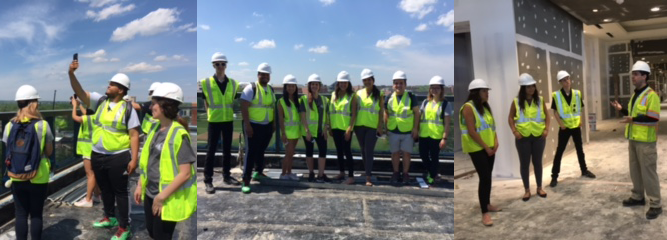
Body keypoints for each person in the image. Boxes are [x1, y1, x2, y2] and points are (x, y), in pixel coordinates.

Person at [69, 60, 140, 240]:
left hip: (118, 156)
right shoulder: (100, 101)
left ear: (121, 90)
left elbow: (134, 135)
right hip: (98, 154)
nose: (109, 86)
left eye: (113, 84)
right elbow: (79, 92)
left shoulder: (128, 109)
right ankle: (109, 217)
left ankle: (124, 227)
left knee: (121, 192)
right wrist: (71, 73)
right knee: (106, 190)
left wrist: (134, 159)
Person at [133, 83, 197, 239]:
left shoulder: (178, 134)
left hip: (166, 196)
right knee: (152, 232)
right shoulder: (155, 129)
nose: (150, 107)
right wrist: (140, 185)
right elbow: (148, 162)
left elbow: (185, 173)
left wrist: (161, 197)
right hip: (150, 192)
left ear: (165, 106)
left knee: (161, 236)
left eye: (154, 103)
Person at [611, 61, 662, 219]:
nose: (632, 77)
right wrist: (622, 110)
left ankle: (655, 204)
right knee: (635, 171)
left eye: (636, 74)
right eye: (632, 74)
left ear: (645, 76)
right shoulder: (635, 95)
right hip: (633, 139)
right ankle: (638, 196)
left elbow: (653, 118)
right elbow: (634, 114)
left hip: (646, 142)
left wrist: (633, 119)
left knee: (648, 173)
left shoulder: (651, 96)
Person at [3, 85, 53, 240]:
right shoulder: (42, 125)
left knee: (21, 213)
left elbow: (8, 148)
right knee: (36, 214)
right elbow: (49, 151)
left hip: (16, 175)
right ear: (34, 103)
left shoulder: (9, 125)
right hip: (38, 176)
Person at [199, 52, 242, 194]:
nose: (220, 66)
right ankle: (208, 180)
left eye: (222, 64)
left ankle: (226, 176)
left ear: (226, 65)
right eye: (217, 64)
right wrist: (210, 114)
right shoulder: (206, 83)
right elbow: (205, 101)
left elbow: (234, 101)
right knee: (211, 150)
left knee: (227, 150)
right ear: (213, 65)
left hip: (228, 120)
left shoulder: (233, 84)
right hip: (214, 121)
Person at [460, 79, 499, 227]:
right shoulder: (468, 108)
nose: (487, 93)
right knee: (484, 178)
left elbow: (491, 126)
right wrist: (486, 147)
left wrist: (496, 141)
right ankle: (484, 213)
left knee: (487, 178)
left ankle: (487, 204)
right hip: (477, 149)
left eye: (487, 91)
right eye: (484, 91)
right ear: (475, 93)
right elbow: (472, 131)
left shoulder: (485, 107)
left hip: (489, 147)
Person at [550, 70, 596, 187]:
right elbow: (555, 112)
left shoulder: (577, 93)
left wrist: (580, 120)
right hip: (564, 128)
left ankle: (584, 170)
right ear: (560, 82)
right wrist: (561, 124)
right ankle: (554, 176)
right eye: (564, 80)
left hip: (575, 127)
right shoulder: (557, 95)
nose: (567, 82)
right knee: (560, 151)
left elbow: (579, 108)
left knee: (580, 149)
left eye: (568, 79)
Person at [508, 74, 549, 201]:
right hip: (523, 137)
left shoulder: (540, 100)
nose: (531, 89)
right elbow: (510, 117)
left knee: (538, 163)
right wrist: (514, 131)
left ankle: (539, 187)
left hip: (538, 136)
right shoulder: (516, 102)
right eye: (528, 87)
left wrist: (546, 129)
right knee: (524, 164)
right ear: (523, 88)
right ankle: (526, 190)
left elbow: (547, 116)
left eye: (532, 86)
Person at [240, 63, 276, 193]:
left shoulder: (270, 90)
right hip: (253, 125)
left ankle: (258, 172)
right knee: (250, 152)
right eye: (263, 74)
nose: (265, 76)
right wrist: (248, 125)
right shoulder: (251, 88)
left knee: (261, 150)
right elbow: (244, 106)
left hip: (266, 125)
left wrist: (273, 124)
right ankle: (246, 180)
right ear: (258, 75)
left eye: (267, 74)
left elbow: (271, 107)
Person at [385, 71, 420, 184]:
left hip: (407, 131)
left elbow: (417, 113)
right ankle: (395, 172)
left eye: (401, 83)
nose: (398, 85)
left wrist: (415, 128)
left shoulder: (411, 96)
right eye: (396, 83)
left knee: (406, 153)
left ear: (405, 84)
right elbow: (386, 112)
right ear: (393, 85)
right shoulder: (389, 97)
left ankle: (405, 173)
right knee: (394, 153)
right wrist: (385, 126)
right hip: (393, 130)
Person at [419, 76, 451, 185]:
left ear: (442, 89)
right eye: (432, 88)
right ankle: (433, 173)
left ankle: (432, 176)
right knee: (423, 155)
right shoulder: (425, 102)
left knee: (434, 157)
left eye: (437, 88)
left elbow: (447, 124)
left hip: (436, 136)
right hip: (424, 134)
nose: (434, 90)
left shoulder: (446, 104)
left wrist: (444, 138)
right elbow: (419, 117)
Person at [355, 69, 384, 186]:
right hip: (359, 126)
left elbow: (381, 111)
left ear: (373, 80)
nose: (367, 82)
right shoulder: (358, 93)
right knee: (363, 150)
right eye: (365, 80)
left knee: (369, 151)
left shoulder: (379, 94)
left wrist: (380, 126)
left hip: (372, 127)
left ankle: (368, 177)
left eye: (369, 80)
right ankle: (367, 171)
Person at [299, 74, 331, 183]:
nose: (314, 86)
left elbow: (326, 116)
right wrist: (307, 131)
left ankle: (320, 175)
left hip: (321, 132)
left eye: (316, 84)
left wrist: (326, 129)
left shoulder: (324, 100)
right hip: (309, 132)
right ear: (309, 86)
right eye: (312, 84)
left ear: (319, 86)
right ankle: (311, 173)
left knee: (323, 152)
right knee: (309, 152)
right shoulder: (303, 99)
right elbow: (303, 117)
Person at [72, 95, 102, 208]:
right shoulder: (97, 118)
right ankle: (97, 195)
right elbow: (86, 114)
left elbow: (75, 117)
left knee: (90, 174)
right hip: (95, 149)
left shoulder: (87, 119)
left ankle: (88, 199)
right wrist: (79, 104)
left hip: (88, 150)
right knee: (95, 174)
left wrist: (74, 106)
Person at [329, 71, 358, 185]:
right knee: (339, 151)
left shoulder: (352, 96)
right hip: (335, 127)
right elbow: (331, 112)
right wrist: (330, 127)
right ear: (338, 83)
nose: (343, 84)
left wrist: (349, 129)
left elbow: (354, 114)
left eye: (345, 83)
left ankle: (351, 176)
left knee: (347, 152)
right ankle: (342, 172)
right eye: (341, 82)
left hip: (345, 129)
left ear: (348, 83)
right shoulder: (333, 95)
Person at [278, 75, 301, 180]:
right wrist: (283, 133)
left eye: (293, 86)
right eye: (289, 86)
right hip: (288, 132)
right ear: (285, 87)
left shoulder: (298, 101)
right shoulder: (281, 102)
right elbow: (281, 119)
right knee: (288, 153)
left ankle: (289, 172)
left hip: (296, 131)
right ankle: (283, 174)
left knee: (291, 153)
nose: (291, 88)